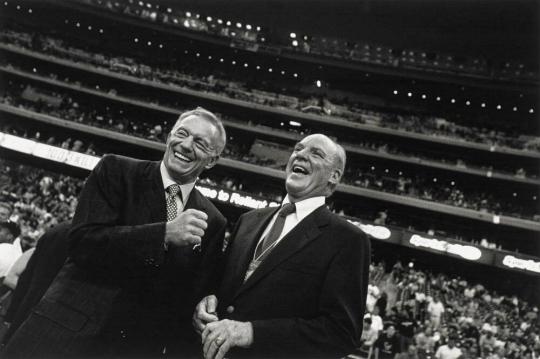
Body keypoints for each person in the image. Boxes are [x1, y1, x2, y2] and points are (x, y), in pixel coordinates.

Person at [3, 107, 228, 357]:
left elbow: (191, 296)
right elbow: (82, 243)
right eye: (182, 133)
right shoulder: (116, 170)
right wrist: (162, 234)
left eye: (199, 142)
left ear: (213, 159)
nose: (186, 145)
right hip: (63, 334)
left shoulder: (213, 221)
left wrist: (204, 305)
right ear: (169, 137)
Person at [193, 134, 371, 358]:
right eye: (298, 149)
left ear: (334, 176)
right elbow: (221, 286)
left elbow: (341, 333)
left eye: (315, 153)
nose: (301, 155)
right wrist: (206, 300)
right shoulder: (249, 220)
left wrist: (252, 333)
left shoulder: (347, 240)